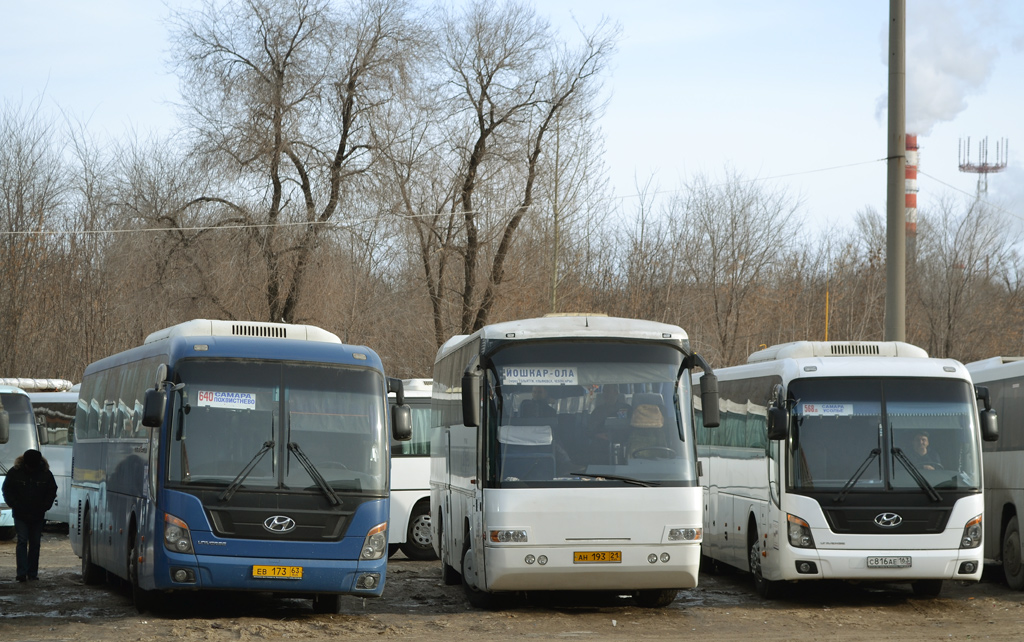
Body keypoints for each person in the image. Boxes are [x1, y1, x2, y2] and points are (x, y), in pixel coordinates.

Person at [2, 449, 58, 582]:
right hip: (22, 513)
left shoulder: (44, 474)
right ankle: (23, 573)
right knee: (24, 541)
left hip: (36, 514)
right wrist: (15, 504)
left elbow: (51, 491)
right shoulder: (16, 473)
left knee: (34, 543)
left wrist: (44, 506)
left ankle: (31, 573)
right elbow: (7, 490)